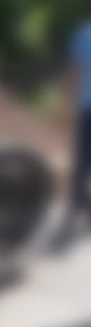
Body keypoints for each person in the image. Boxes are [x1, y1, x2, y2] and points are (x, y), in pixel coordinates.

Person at [68, 21, 91, 223]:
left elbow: (76, 71)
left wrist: (68, 103)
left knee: (82, 162)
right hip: (86, 106)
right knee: (82, 163)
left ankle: (78, 207)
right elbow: (76, 70)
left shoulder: (84, 33)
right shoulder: (84, 34)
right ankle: (79, 206)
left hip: (86, 107)